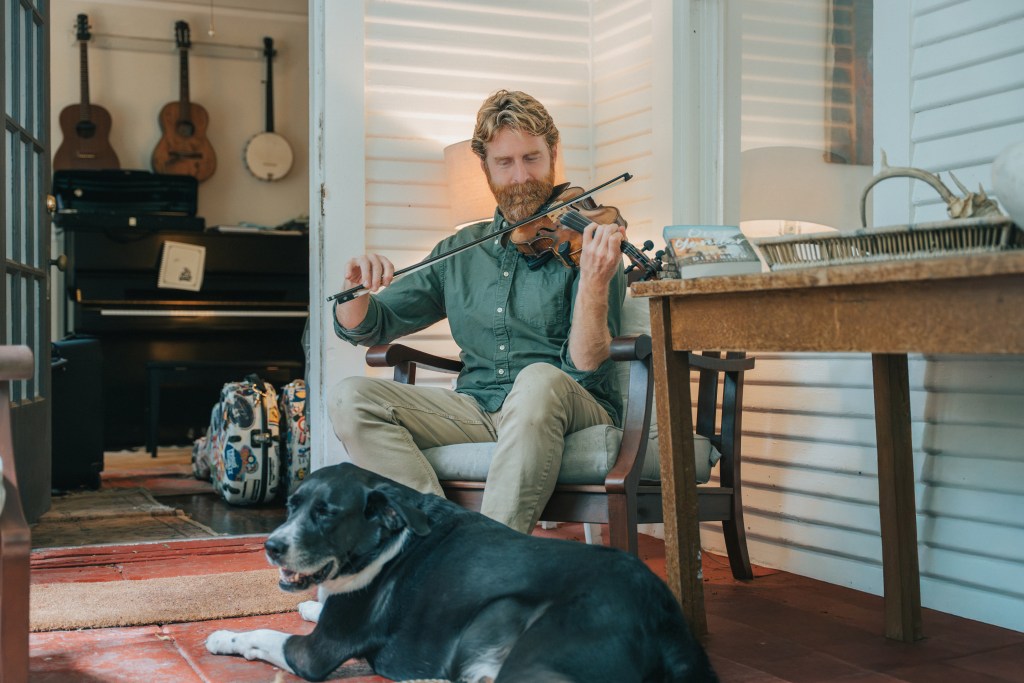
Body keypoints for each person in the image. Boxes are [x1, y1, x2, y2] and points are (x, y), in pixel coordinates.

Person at [329, 89, 627, 534]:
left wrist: (594, 282)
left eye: (532, 158)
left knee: (539, 378)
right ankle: (439, 540)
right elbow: (371, 326)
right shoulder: (459, 252)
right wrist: (355, 289)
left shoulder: (588, 243)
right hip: (478, 407)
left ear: (553, 155)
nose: (521, 176)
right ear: (484, 166)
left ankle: (492, 550)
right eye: (505, 163)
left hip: (567, 404)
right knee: (350, 397)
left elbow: (585, 370)